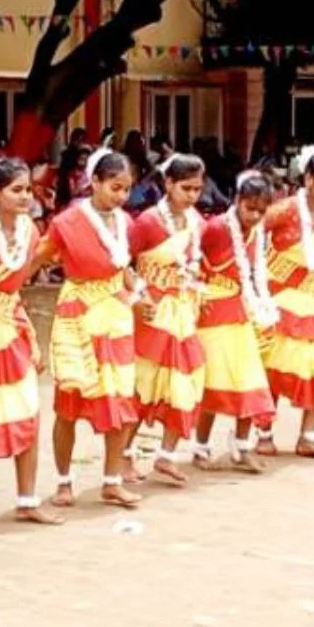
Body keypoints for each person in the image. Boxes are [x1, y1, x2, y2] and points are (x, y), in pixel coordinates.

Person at [35, 149, 150, 509]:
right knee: (69, 401)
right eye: (115, 187)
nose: (121, 196)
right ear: (94, 182)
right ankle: (64, 482)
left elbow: (123, 266)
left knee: (118, 396)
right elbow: (40, 256)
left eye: (127, 189)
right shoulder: (67, 222)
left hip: (115, 314)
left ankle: (112, 481)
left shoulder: (126, 223)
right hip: (79, 314)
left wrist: (138, 294)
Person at [0, 158, 64, 525]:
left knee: (29, 409)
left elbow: (18, 283)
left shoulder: (32, 232)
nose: (25, 197)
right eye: (16, 190)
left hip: (10, 324)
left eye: (26, 189)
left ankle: (27, 498)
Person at [256, 146, 314, 459]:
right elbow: (250, 231)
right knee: (273, 368)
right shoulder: (284, 210)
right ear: (308, 180)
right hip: (277, 297)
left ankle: (308, 436)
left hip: (311, 301)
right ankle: (263, 433)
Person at [123, 154, 207, 485]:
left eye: (198, 189)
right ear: (168, 184)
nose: (192, 196)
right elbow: (120, 262)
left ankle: (167, 456)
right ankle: (123, 455)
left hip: (183, 311)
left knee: (185, 382)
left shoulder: (196, 223)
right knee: (145, 383)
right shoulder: (147, 222)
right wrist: (136, 296)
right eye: (186, 188)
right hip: (152, 311)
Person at [190, 170, 277, 474]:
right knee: (214, 385)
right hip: (213, 313)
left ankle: (242, 446)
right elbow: (190, 258)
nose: (254, 216)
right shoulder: (215, 228)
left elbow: (255, 274)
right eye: (249, 208)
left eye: (261, 211)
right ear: (237, 201)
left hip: (241, 312)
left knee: (251, 381)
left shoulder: (258, 232)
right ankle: (200, 447)